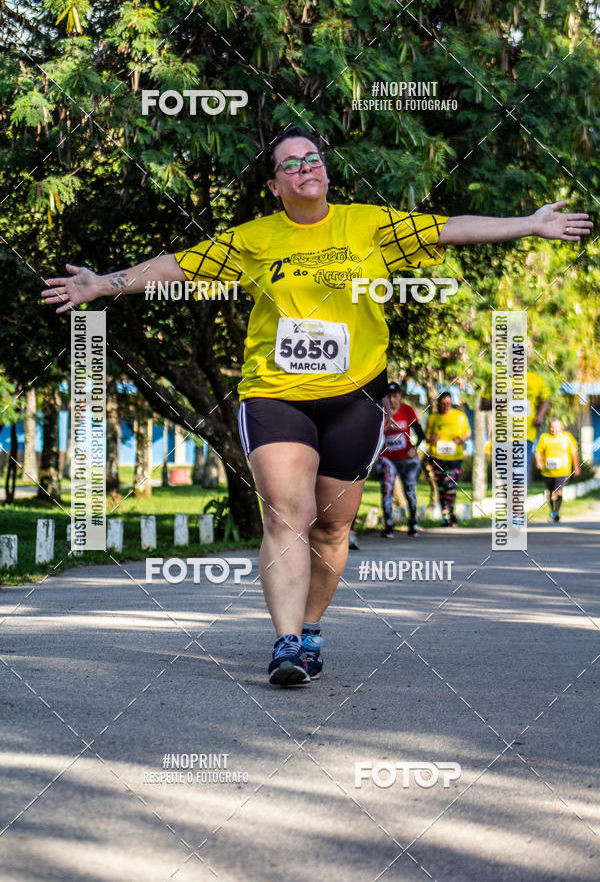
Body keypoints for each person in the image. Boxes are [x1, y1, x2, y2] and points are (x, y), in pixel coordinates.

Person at [42, 125, 592, 686]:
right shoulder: (255, 238)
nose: (306, 167)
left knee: (331, 529)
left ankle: (309, 629)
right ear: (275, 186)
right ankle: (285, 645)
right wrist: (103, 285)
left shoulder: (369, 225)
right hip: (276, 393)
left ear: (326, 171)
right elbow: (177, 267)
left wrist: (530, 224)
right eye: (291, 164)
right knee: (287, 513)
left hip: (356, 396)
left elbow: (450, 229)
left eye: (313, 159)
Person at [481, 368, 550, 480]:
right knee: (506, 476)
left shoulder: (535, 380)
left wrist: (540, 416)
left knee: (519, 472)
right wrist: (504, 398)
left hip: (525, 435)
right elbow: (484, 404)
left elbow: (546, 400)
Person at [377, 381, 425, 538]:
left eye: (395, 396)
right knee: (387, 489)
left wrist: (414, 448)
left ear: (400, 396)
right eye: (389, 396)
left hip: (406, 458)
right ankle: (389, 525)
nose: (392, 400)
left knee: (409, 490)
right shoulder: (381, 412)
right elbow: (373, 435)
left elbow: (420, 433)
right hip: (387, 458)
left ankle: (413, 521)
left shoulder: (407, 410)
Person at [425, 392, 471, 526]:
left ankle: (449, 513)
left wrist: (461, 439)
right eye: (443, 403)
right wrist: (431, 439)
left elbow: (468, 433)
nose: (446, 406)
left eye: (448, 403)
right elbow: (426, 436)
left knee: (449, 485)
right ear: (439, 404)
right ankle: (448, 515)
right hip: (437, 457)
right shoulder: (433, 418)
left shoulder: (460, 417)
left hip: (454, 458)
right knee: (441, 487)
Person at [535, 418, 580, 522]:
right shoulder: (544, 437)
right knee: (550, 493)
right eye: (551, 427)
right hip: (548, 472)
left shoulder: (567, 437)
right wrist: (538, 462)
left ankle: (554, 513)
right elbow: (538, 451)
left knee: (557, 491)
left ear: (561, 428)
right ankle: (554, 512)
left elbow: (574, 452)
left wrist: (576, 467)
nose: (553, 429)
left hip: (563, 471)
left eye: (556, 427)